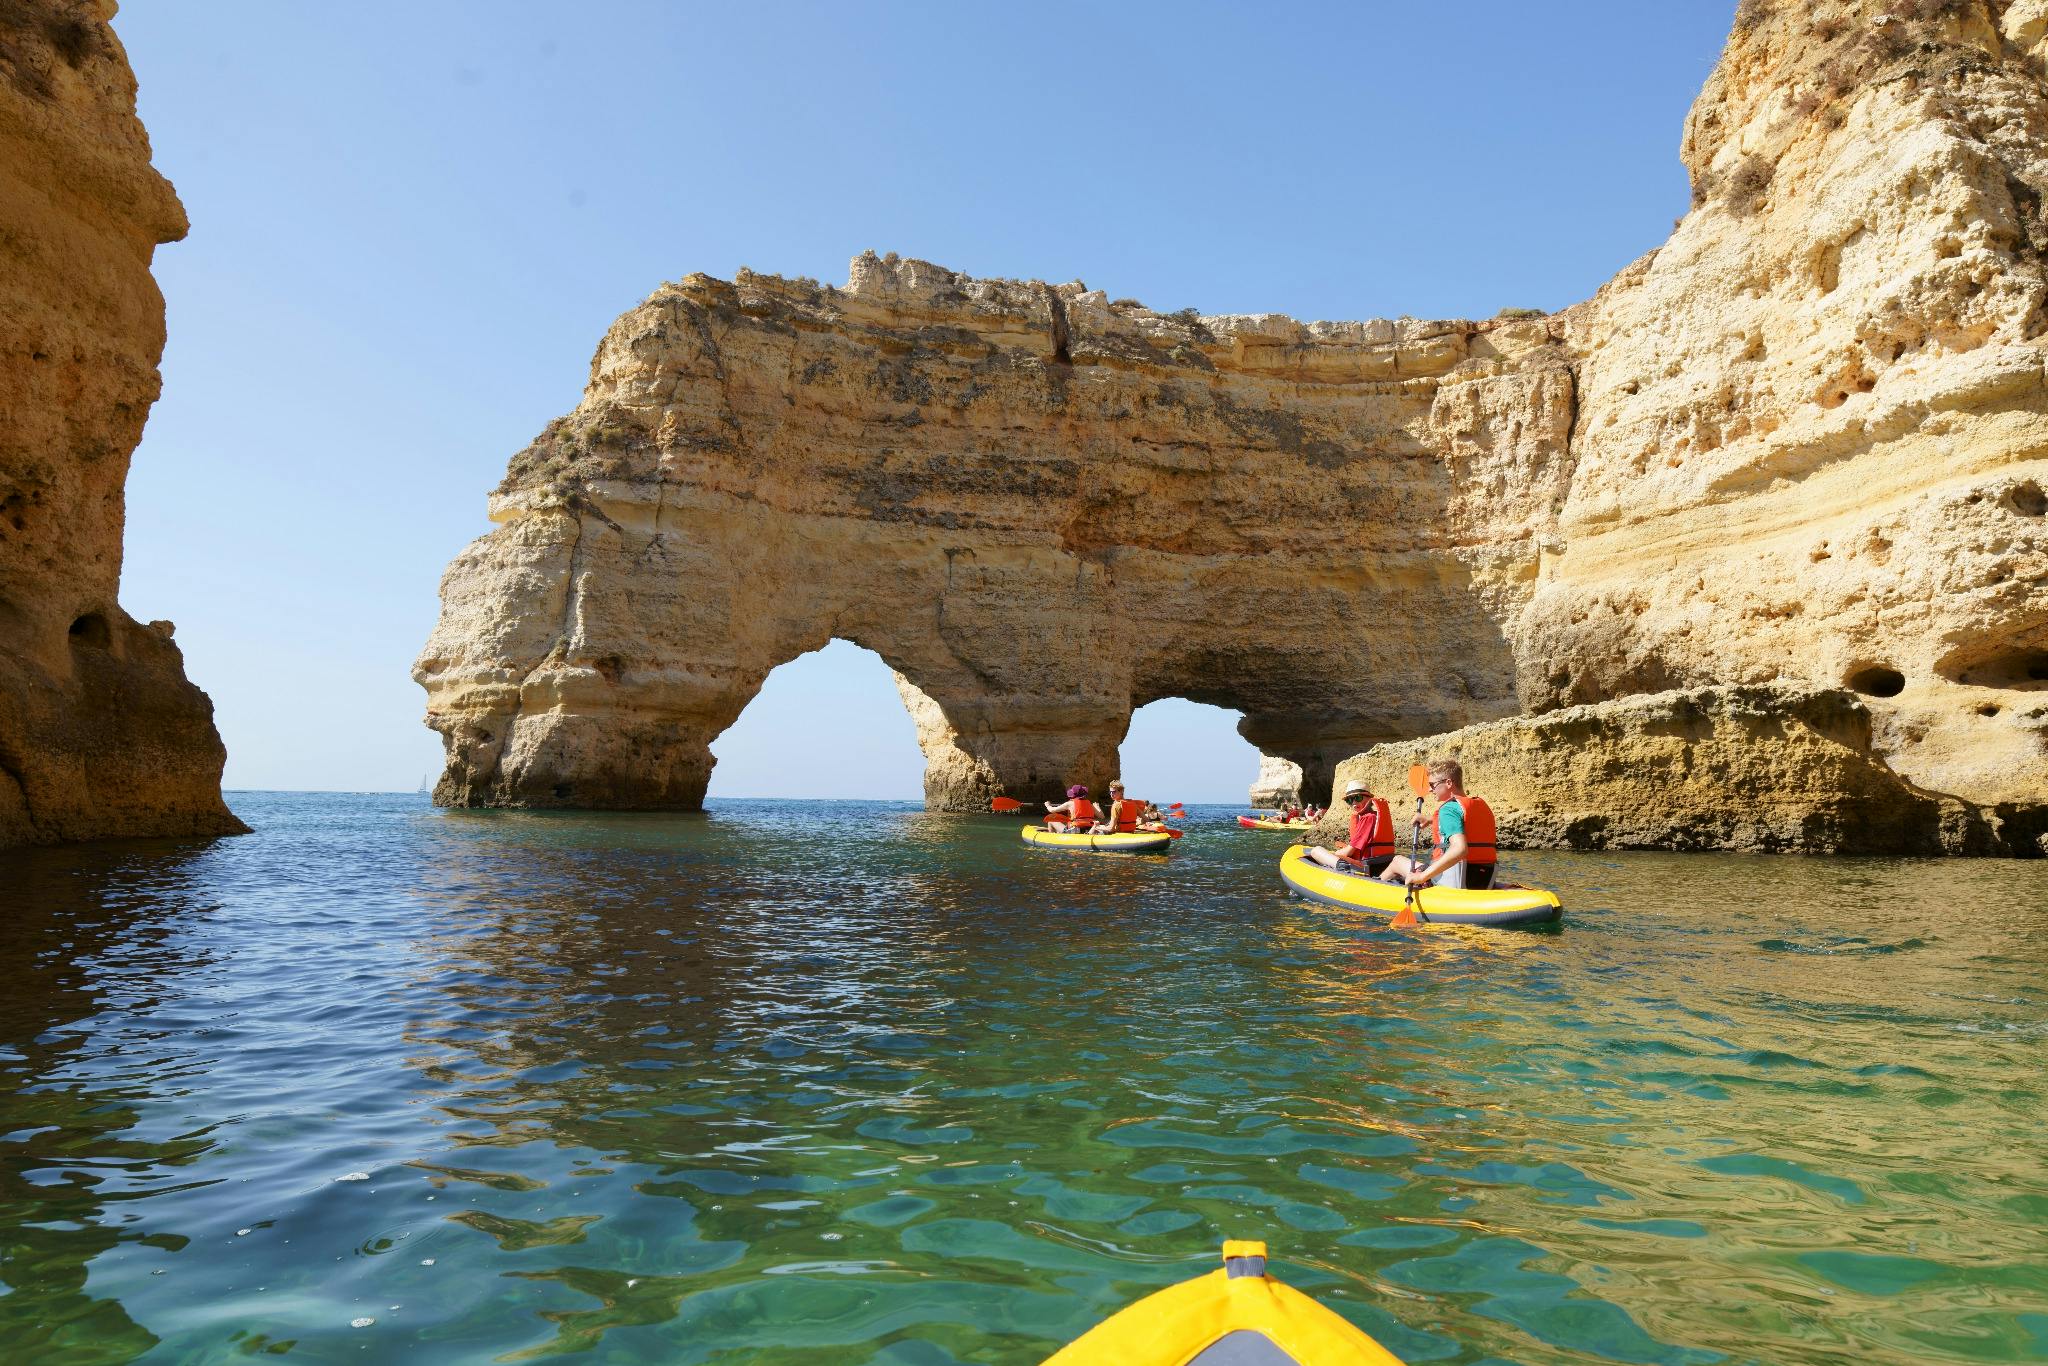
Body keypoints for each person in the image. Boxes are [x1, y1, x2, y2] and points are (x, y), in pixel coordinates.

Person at [1376, 758, 1497, 890]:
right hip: (1484, 879)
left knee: (1397, 861)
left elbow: (1460, 848)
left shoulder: (1448, 809)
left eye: (1433, 785)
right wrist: (1430, 820)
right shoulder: (1480, 805)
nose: (1429, 789)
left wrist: (1422, 877)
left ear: (1449, 783)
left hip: (1453, 881)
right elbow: (1466, 823)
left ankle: (1373, 891)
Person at [1305, 779, 1395, 874]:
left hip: (1366, 867)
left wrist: (1332, 854)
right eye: (1349, 800)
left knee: (1316, 850)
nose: (1354, 803)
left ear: (1369, 799)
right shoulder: (1375, 815)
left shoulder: (1368, 818)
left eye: (1358, 798)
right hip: (1380, 863)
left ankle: (1342, 867)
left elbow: (1349, 852)